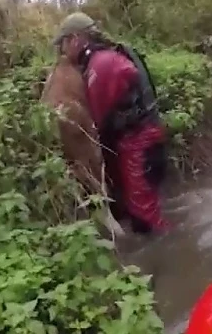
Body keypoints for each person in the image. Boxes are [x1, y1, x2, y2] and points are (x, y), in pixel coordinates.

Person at [54, 12, 172, 235]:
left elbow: (99, 121)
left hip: (139, 145)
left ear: (76, 38)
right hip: (138, 143)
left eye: (63, 43)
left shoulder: (102, 65)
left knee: (146, 222)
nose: (62, 51)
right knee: (139, 213)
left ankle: (169, 261)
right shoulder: (103, 59)